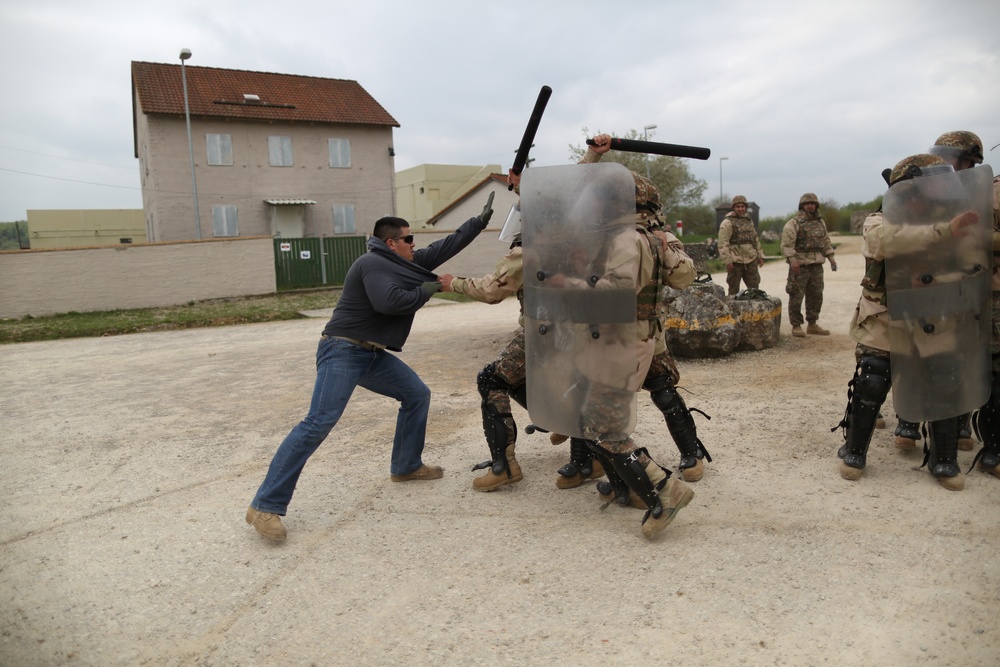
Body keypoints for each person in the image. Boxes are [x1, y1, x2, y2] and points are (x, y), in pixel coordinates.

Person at [245, 201, 494, 541]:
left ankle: (406, 466)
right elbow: (388, 302)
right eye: (408, 239)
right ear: (391, 242)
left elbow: (444, 246)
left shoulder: (404, 262)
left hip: (370, 354)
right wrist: (429, 288)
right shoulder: (373, 263)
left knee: (416, 394)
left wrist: (478, 222)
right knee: (318, 422)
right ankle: (264, 505)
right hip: (342, 349)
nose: (414, 244)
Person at [836, 154, 980, 490]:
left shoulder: (954, 220)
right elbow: (881, 243)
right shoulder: (878, 219)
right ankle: (854, 451)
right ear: (907, 189)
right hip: (886, 315)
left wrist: (938, 278)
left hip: (932, 314)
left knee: (945, 376)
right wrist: (942, 232)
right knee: (873, 375)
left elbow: (973, 266)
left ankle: (943, 460)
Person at [928, 131, 987, 452]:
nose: (951, 165)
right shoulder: (922, 187)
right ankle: (911, 418)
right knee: (924, 351)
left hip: (968, 282)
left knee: (965, 354)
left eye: (960, 160)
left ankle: (961, 422)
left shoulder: (981, 193)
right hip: (929, 283)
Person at [781, 193, 837, 337]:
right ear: (802, 206)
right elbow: (787, 244)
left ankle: (812, 324)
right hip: (800, 265)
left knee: (816, 295)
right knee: (796, 295)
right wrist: (793, 260)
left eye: (813, 203)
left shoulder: (820, 222)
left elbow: (825, 242)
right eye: (807, 203)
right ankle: (796, 325)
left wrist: (831, 258)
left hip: (816, 264)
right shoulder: (794, 223)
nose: (810, 206)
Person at [718, 195, 765, 296]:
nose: (740, 209)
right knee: (733, 291)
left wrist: (760, 256)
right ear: (733, 208)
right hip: (735, 261)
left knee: (755, 290)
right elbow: (723, 243)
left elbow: (755, 240)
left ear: (746, 207)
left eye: (742, 206)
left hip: (751, 259)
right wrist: (727, 261)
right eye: (738, 206)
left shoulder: (749, 221)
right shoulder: (727, 223)